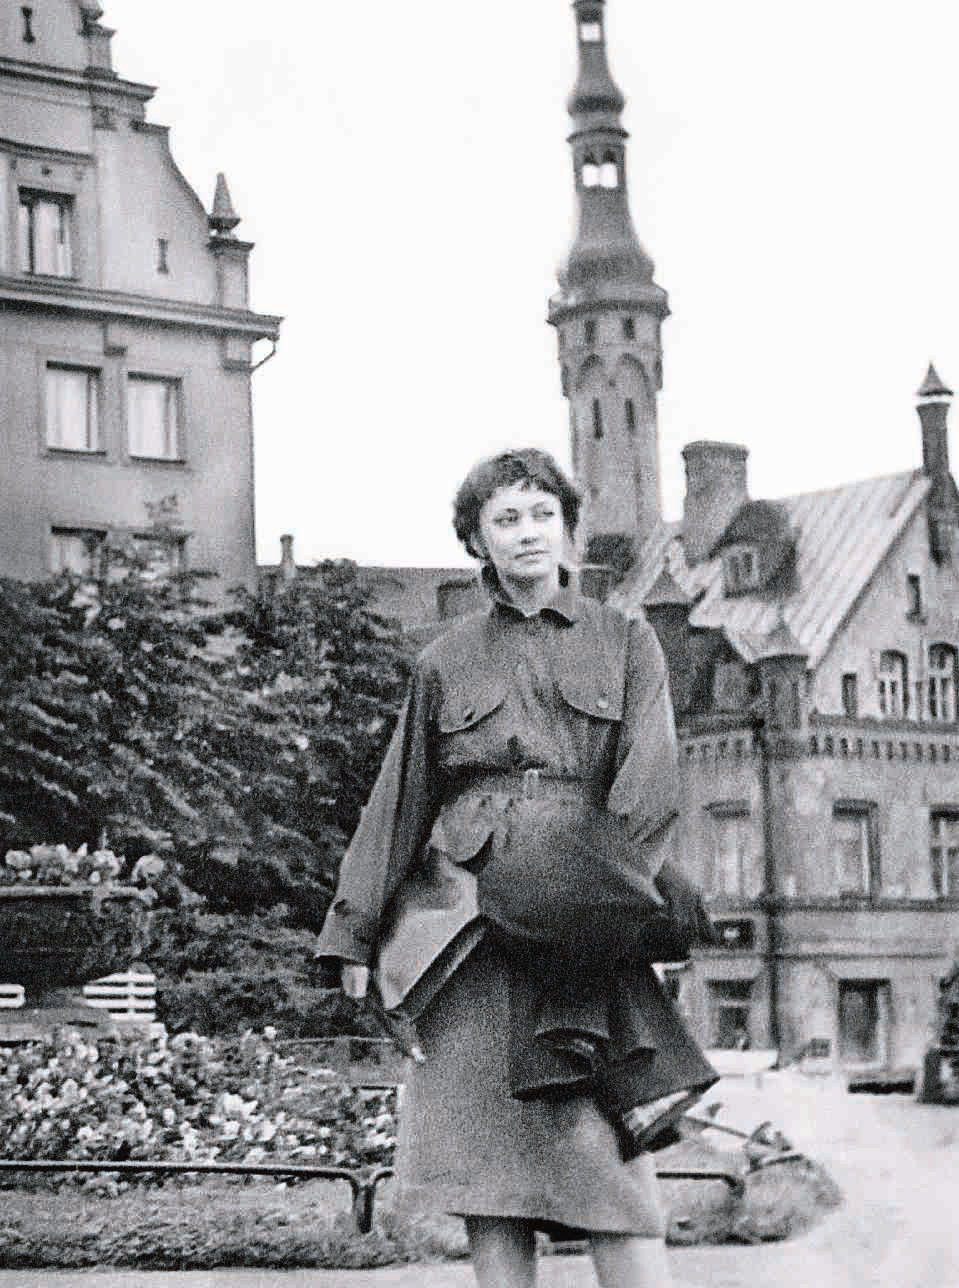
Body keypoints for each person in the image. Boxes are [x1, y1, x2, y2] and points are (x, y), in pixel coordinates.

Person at [315, 448, 716, 1288]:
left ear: (568, 531)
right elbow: (400, 800)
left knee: (610, 1170)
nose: (527, 532)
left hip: (581, 927)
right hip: (465, 930)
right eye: (505, 518)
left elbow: (649, 790)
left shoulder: (625, 640)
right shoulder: (445, 659)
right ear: (476, 541)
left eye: (542, 515)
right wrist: (353, 933)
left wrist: (597, 909)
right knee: (487, 1179)